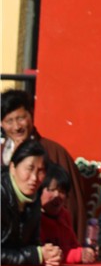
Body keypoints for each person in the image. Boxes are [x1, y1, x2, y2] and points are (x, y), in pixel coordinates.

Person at [1, 88, 87, 242]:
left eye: (21, 118)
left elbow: (72, 205)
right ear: (1, 124)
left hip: (47, 240)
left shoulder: (53, 152)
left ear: (31, 115)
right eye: (9, 121)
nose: (17, 127)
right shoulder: (1, 153)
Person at [1, 138, 62, 266]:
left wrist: (49, 254)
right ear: (12, 168)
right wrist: (36, 255)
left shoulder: (33, 199)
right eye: (29, 168)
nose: (34, 178)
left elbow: (32, 244)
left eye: (41, 171)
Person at [40, 162, 96, 265]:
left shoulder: (64, 216)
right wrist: (76, 255)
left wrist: (86, 253)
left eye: (62, 191)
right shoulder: (33, 218)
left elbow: (74, 245)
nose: (57, 195)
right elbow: (46, 255)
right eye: (51, 189)